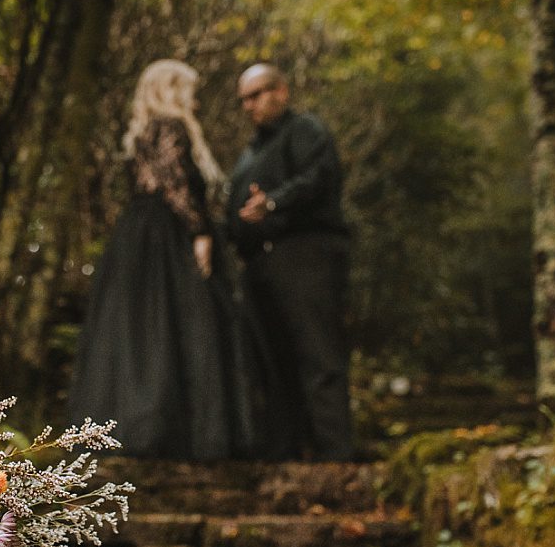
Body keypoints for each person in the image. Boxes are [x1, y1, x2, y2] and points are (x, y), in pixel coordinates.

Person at [70, 59, 262, 460]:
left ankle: (141, 427)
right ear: (171, 90)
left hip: (137, 235)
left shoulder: (141, 131)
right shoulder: (171, 128)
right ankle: (184, 434)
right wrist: (200, 233)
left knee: (144, 331)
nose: (194, 99)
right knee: (187, 323)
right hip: (167, 233)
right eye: (188, 89)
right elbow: (176, 185)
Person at [225, 63, 356, 461]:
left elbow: (321, 177)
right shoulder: (251, 151)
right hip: (259, 265)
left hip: (305, 254)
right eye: (244, 99)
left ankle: (336, 456)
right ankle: (285, 453)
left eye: (257, 94)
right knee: (272, 362)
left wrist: (274, 202)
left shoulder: (305, 130)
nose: (250, 105)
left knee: (318, 354)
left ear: (281, 91)